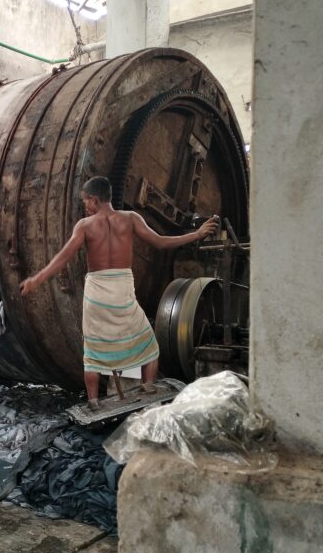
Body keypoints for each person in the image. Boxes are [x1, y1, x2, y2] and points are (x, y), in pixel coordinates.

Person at [20, 176, 219, 410]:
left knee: (93, 351)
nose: (85, 206)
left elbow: (64, 256)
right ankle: (148, 386)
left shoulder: (85, 226)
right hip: (122, 292)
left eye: (85, 201)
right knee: (148, 344)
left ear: (94, 200)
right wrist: (197, 234)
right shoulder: (131, 219)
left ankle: (93, 401)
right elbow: (162, 243)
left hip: (97, 295)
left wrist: (37, 279)